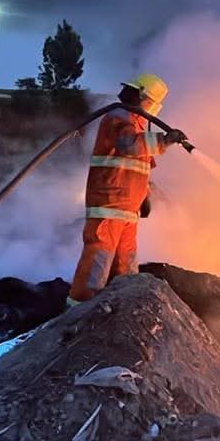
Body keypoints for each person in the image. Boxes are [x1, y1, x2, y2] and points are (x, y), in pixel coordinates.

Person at [67, 73, 188, 304]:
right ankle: (77, 314)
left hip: (127, 209)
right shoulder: (118, 117)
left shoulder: (136, 121)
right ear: (147, 99)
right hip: (109, 203)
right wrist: (164, 140)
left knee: (126, 265)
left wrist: (145, 195)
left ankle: (121, 310)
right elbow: (129, 145)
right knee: (98, 259)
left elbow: (140, 166)